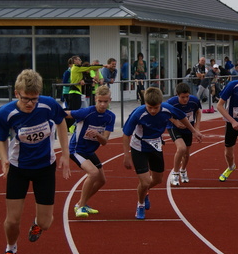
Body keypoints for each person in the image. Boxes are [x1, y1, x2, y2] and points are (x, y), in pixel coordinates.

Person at [0, 69, 71, 254]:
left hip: (45, 168)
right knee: (12, 220)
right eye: (26, 99)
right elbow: (1, 139)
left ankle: (37, 223)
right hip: (18, 169)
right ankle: (10, 249)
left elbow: (62, 122)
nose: (30, 104)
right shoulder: (5, 113)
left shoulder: (48, 105)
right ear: (17, 93)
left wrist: (65, 153)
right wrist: (3, 160)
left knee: (46, 223)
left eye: (34, 99)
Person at [123, 87, 203, 219]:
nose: (153, 111)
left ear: (161, 103)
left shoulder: (167, 108)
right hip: (139, 147)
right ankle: (141, 204)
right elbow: (126, 135)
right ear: (145, 104)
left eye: (156, 107)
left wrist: (194, 131)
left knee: (157, 179)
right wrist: (126, 155)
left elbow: (182, 117)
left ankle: (145, 192)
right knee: (144, 182)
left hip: (156, 146)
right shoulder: (138, 113)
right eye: (150, 107)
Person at [66, 85, 115, 218]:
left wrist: (97, 135)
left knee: (101, 180)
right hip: (76, 149)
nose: (103, 104)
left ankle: (81, 203)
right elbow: (68, 114)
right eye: (100, 101)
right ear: (95, 99)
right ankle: (80, 207)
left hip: (90, 151)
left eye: (105, 101)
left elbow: (104, 142)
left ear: (110, 100)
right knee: (93, 173)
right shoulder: (87, 112)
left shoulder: (110, 117)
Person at [166, 82, 202, 186]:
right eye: (182, 97)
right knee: (181, 148)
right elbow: (164, 112)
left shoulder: (194, 101)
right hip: (174, 127)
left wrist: (197, 127)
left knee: (186, 153)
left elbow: (198, 112)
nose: (185, 99)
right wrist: (174, 121)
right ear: (177, 95)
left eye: (187, 96)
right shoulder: (171, 103)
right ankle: (175, 173)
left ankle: (183, 170)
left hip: (188, 128)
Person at [67, 55, 103, 130]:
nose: (80, 61)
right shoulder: (76, 68)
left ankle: (79, 125)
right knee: (75, 111)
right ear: (75, 61)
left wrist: (85, 81)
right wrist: (103, 66)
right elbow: (89, 68)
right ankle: (69, 126)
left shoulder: (80, 71)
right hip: (75, 92)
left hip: (79, 93)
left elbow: (88, 78)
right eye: (79, 59)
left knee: (83, 110)